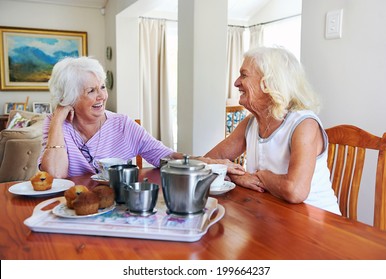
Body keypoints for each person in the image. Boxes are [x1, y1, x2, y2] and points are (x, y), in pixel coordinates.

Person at [38, 56, 243, 179]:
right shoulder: (56, 125)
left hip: (117, 203)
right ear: (70, 98)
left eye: (102, 86)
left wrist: (207, 162)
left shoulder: (123, 125)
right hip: (73, 208)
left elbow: (167, 158)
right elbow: (54, 176)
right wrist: (58, 116)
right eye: (91, 91)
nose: (102, 96)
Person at [204, 46, 341, 215]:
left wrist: (262, 176)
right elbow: (207, 162)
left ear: (269, 83)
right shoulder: (250, 123)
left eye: (244, 75)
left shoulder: (304, 124)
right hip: (274, 215)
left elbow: (295, 190)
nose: (236, 82)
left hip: (317, 224)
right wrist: (239, 176)